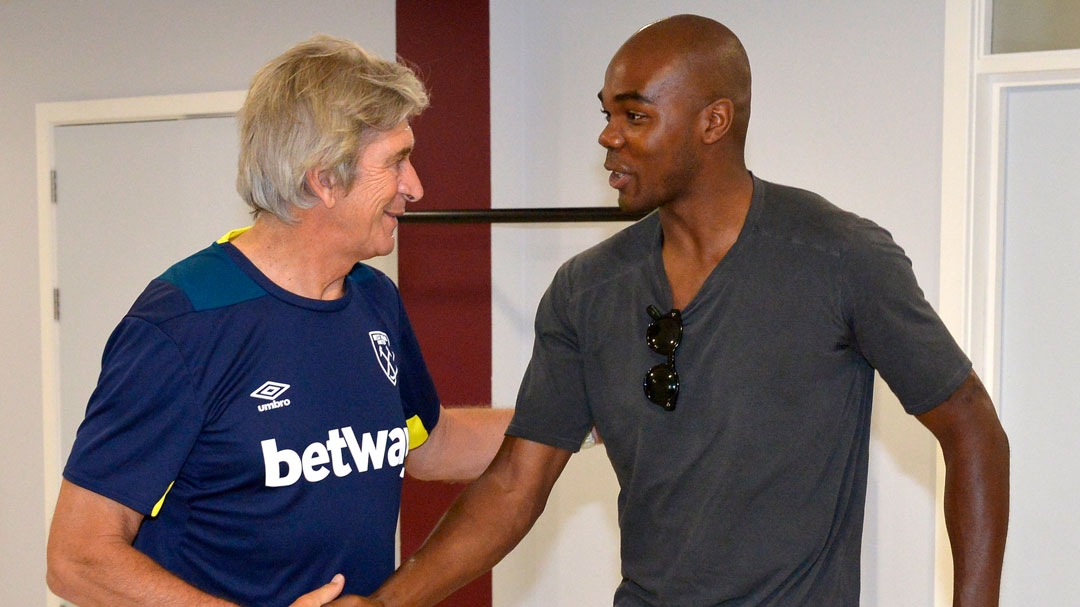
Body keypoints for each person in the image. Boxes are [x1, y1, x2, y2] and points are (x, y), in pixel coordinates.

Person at [332, 14, 1010, 607]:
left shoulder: (838, 256)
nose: (608, 136)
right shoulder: (586, 289)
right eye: (605, 113)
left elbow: (973, 429)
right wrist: (385, 602)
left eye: (635, 115)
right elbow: (514, 483)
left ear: (714, 121)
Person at [45, 35, 511, 607]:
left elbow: (429, 443)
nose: (414, 186)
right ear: (325, 178)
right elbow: (77, 558)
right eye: (395, 162)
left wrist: (589, 410)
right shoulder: (183, 322)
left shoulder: (373, 298)